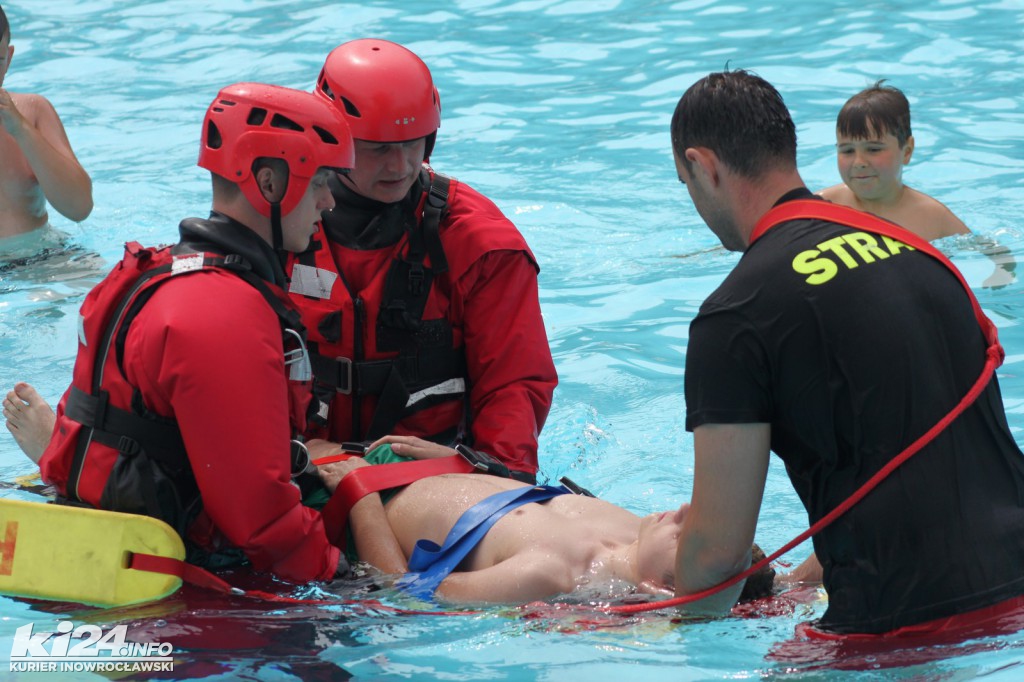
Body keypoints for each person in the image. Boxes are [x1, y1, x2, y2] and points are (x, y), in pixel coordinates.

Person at [669, 70, 1024, 635]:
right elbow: (909, 462)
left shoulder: (733, 315)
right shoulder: (921, 254)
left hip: (905, 629)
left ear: (703, 166)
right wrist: (803, 577)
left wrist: (658, 620)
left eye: (684, 183)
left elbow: (714, 558)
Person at [33, 82, 357, 584]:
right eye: (320, 182)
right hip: (179, 589)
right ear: (269, 183)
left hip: (96, 550)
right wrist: (357, 582)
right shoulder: (223, 313)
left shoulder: (154, 273)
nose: (329, 202)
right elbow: (263, 524)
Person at [290, 39, 557, 482]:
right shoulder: (276, 226)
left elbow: (514, 387)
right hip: (305, 462)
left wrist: (493, 482)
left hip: (431, 473)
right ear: (334, 138)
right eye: (378, 147)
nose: (401, 164)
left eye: (413, 143)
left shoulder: (482, 245)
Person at [317, 443, 776, 604]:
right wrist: (471, 466)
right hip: (415, 468)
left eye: (685, 533)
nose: (679, 511)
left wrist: (360, 496)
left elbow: (404, 592)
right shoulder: (634, 529)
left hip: (351, 508)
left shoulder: (546, 574)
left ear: (661, 587)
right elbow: (528, 503)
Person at [818, 81, 1014, 286]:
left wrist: (1001, 275)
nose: (859, 162)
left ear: (907, 150)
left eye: (873, 149)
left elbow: (995, 251)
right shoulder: (822, 205)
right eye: (847, 151)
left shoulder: (932, 216)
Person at [0, 4, 93, 239]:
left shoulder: (32, 112)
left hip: (40, 258)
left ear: (8, 58)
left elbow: (79, 208)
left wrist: (21, 130)